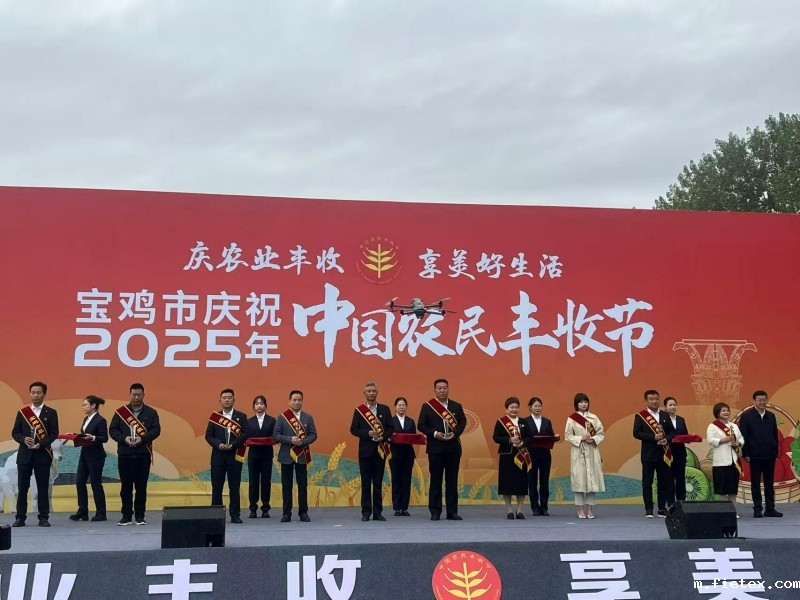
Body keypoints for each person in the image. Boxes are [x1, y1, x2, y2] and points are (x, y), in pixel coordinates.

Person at [109, 382, 161, 526]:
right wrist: (123, 439)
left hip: (142, 454)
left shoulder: (151, 413)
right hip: (125, 454)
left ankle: (140, 516)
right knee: (125, 487)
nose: (136, 397)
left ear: (143, 395)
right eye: (133, 395)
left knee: (141, 487)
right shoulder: (121, 412)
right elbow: (113, 430)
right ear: (130, 395)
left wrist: (142, 439)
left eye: (139, 395)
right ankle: (126, 516)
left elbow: (156, 430)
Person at [418, 378, 467, 521]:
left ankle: (452, 512)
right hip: (435, 449)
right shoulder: (427, 406)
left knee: (452, 481)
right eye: (439, 388)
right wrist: (434, 434)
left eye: (445, 388)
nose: (442, 390)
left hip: (453, 448)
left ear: (448, 389)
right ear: (434, 390)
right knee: (435, 481)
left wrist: (455, 434)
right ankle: (435, 512)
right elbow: (421, 425)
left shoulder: (456, 406)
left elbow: (462, 422)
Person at [11, 381, 59, 527]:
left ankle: (43, 517)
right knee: (22, 488)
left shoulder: (51, 412)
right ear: (30, 394)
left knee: (43, 488)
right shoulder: (23, 413)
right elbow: (15, 432)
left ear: (44, 394)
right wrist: (23, 439)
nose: (35, 395)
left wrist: (41, 443)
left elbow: (54, 433)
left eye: (38, 393)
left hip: (42, 454)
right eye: (33, 392)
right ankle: (20, 518)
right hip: (25, 456)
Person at [350, 381, 394, 521]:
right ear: (364, 393)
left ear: (377, 392)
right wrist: (367, 433)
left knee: (378, 483)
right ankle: (366, 512)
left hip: (380, 451)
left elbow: (391, 428)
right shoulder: (359, 410)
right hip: (365, 452)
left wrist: (383, 436)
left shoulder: (385, 409)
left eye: (373, 391)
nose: (371, 393)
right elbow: (353, 429)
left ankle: (378, 512)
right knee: (365, 483)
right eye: (369, 391)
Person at [205, 388, 248, 524]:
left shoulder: (241, 416)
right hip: (218, 457)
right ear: (220, 400)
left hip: (234, 456)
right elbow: (208, 436)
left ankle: (235, 515)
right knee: (217, 487)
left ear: (234, 400)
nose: (227, 400)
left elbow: (245, 434)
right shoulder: (215, 417)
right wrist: (219, 444)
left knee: (234, 487)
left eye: (229, 397)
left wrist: (233, 445)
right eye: (224, 398)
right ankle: (216, 515)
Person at [273, 390, 317, 522]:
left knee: (302, 485)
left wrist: (303, 442)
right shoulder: (282, 417)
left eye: (299, 400)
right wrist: (290, 439)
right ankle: (286, 513)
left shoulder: (308, 417)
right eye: (294, 400)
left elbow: (313, 435)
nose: (297, 402)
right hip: (286, 455)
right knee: (286, 485)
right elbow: (276, 435)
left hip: (302, 455)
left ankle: (303, 513)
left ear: (302, 401)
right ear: (289, 401)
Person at [739, 390, 784, 518]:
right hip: (754, 455)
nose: (762, 402)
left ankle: (770, 508)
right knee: (755, 482)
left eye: (764, 399)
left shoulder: (771, 416)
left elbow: (774, 434)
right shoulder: (747, 416)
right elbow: (743, 436)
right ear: (754, 401)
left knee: (769, 483)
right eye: (759, 400)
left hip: (770, 454)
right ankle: (757, 508)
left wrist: (775, 450)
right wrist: (746, 453)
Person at [633, 389, 674, 518]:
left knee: (663, 482)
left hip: (663, 454)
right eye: (651, 399)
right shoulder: (641, 416)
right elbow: (636, 433)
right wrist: (653, 437)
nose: (655, 401)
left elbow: (672, 433)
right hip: (648, 454)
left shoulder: (665, 415)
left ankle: (661, 508)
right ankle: (649, 509)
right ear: (646, 401)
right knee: (647, 482)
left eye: (656, 399)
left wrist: (666, 439)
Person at [565, 393, 605, 519]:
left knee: (592, 481)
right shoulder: (572, 418)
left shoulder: (594, 417)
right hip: (579, 451)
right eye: (581, 402)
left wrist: (593, 439)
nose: (583, 404)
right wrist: (581, 438)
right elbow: (568, 435)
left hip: (592, 450)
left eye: (585, 402)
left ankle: (590, 509)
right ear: (576, 404)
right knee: (579, 481)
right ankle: (580, 508)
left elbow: (601, 433)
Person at [492, 397, 532, 519]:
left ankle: (519, 510)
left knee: (521, 483)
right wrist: (509, 440)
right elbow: (496, 437)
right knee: (507, 484)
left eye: (516, 407)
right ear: (507, 409)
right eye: (511, 407)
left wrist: (522, 443)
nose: (514, 409)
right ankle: (509, 510)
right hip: (507, 456)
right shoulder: (501, 422)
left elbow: (530, 437)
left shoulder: (523, 422)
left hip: (521, 456)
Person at [69, 395, 108, 522]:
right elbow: (85, 435)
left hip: (96, 456)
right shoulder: (86, 419)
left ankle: (101, 513)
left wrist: (93, 437)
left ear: (93, 406)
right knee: (80, 482)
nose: (83, 407)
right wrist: (77, 436)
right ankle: (83, 511)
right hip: (85, 454)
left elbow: (104, 438)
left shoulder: (100, 420)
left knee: (95, 483)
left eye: (85, 404)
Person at [706, 402, 744, 516]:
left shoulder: (734, 426)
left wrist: (738, 443)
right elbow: (710, 440)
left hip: (734, 461)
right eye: (723, 411)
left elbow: (741, 438)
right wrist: (723, 440)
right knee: (721, 489)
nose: (726, 412)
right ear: (717, 413)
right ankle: (723, 512)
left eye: (727, 410)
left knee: (733, 489)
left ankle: (732, 511)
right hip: (721, 462)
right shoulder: (713, 426)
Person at [524, 396, 559, 516]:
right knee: (532, 481)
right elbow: (523, 437)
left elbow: (551, 435)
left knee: (544, 481)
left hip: (545, 454)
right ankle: (535, 507)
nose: (538, 408)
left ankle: (544, 507)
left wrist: (555, 437)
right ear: (530, 407)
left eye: (539, 406)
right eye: (535, 406)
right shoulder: (525, 421)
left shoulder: (547, 421)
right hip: (531, 454)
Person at [244, 395, 276, 518]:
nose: (259, 406)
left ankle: (265, 508)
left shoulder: (272, 420)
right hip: (253, 455)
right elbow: (245, 437)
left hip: (267, 455)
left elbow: (275, 437)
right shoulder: (248, 421)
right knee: (253, 482)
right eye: (257, 403)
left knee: (266, 482)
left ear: (265, 406)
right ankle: (253, 508)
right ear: (253, 406)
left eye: (261, 403)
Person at [389, 397, 416, 516]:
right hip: (394, 454)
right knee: (396, 480)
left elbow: (414, 436)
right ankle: (397, 508)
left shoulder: (411, 421)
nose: (401, 407)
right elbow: (387, 436)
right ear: (395, 407)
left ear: (406, 407)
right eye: (399, 405)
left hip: (408, 455)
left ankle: (404, 508)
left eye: (403, 405)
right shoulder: (390, 421)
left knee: (406, 480)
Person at [664, 396, 688, 507]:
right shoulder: (662, 420)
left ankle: (681, 502)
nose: (673, 407)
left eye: (674, 405)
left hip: (680, 452)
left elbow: (685, 434)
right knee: (669, 478)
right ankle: (671, 504)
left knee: (680, 478)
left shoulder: (681, 419)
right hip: (667, 452)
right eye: (670, 405)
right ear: (665, 407)